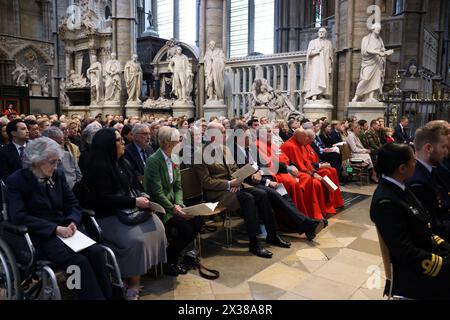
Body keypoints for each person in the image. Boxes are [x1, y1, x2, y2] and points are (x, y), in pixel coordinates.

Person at [6, 137, 112, 300]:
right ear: (37, 161)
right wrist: (55, 229)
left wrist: (72, 221)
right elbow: (18, 216)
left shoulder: (57, 175)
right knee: (78, 262)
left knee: (98, 253)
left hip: (66, 230)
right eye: (52, 162)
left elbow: (73, 204)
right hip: (40, 234)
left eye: (57, 162)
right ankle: (82, 295)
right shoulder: (17, 181)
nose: (56, 166)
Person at [83, 128, 167, 300]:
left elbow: (135, 186)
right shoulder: (98, 167)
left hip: (128, 210)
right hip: (107, 215)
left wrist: (144, 197)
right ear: (107, 145)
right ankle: (133, 281)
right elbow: (103, 199)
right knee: (136, 241)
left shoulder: (123, 161)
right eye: (119, 140)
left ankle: (139, 273)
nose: (123, 143)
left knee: (157, 227)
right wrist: (134, 202)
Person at [194, 122, 289, 258]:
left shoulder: (224, 149)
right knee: (248, 198)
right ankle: (254, 243)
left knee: (261, 194)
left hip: (233, 186)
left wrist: (239, 179)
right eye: (222, 132)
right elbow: (206, 182)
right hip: (217, 193)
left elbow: (233, 169)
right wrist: (228, 183)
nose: (226, 134)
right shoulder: (200, 154)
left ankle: (272, 235)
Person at [370, 142, 450, 299]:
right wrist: (444, 264)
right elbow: (405, 252)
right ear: (402, 168)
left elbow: (424, 228)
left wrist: (446, 247)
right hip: (413, 274)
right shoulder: (386, 202)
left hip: (426, 252)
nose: (416, 163)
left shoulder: (400, 187)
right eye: (413, 160)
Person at [232, 124, 327, 239]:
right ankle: (307, 224)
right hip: (254, 184)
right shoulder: (233, 152)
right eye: (247, 137)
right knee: (278, 194)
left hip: (264, 179)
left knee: (286, 197)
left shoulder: (250, 147)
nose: (250, 139)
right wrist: (266, 181)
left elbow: (264, 164)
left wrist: (288, 167)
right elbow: (242, 175)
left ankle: (304, 225)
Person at [144, 126, 203, 276]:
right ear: (168, 143)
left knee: (198, 221)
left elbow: (178, 187)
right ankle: (170, 259)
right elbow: (157, 192)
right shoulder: (153, 161)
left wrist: (180, 205)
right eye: (179, 141)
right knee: (186, 228)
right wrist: (174, 208)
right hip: (160, 208)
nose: (181, 143)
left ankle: (174, 254)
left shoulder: (175, 158)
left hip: (173, 205)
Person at [406, 123, 450, 238]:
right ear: (429, 148)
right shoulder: (417, 181)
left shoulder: (430, 170)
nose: (446, 151)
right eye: (444, 147)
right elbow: (432, 226)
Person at [352, 23, 393, 102]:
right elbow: (366, 50)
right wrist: (378, 52)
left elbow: (382, 48)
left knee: (376, 80)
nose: (378, 31)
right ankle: (356, 96)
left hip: (377, 62)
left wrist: (384, 51)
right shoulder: (366, 39)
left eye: (379, 30)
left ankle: (371, 96)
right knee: (365, 78)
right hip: (368, 62)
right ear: (373, 29)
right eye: (377, 29)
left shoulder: (379, 39)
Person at [303, 27, 333, 101]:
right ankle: (314, 94)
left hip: (325, 64)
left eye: (323, 32)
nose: (321, 33)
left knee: (324, 79)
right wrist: (317, 51)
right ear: (318, 33)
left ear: (326, 34)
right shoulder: (313, 42)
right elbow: (309, 54)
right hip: (316, 64)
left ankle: (321, 94)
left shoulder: (328, 43)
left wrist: (330, 67)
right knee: (315, 78)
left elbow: (331, 56)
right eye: (320, 32)